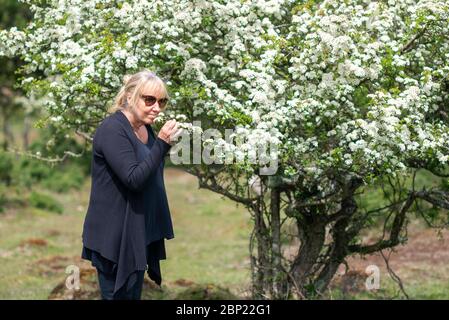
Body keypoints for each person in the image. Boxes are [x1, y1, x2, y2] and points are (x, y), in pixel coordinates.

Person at [81, 69, 179, 300]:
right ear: (129, 97)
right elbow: (134, 179)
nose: (157, 107)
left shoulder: (146, 128)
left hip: (137, 231)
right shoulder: (112, 129)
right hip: (113, 235)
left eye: (162, 101)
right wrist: (162, 144)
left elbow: (151, 175)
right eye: (150, 100)